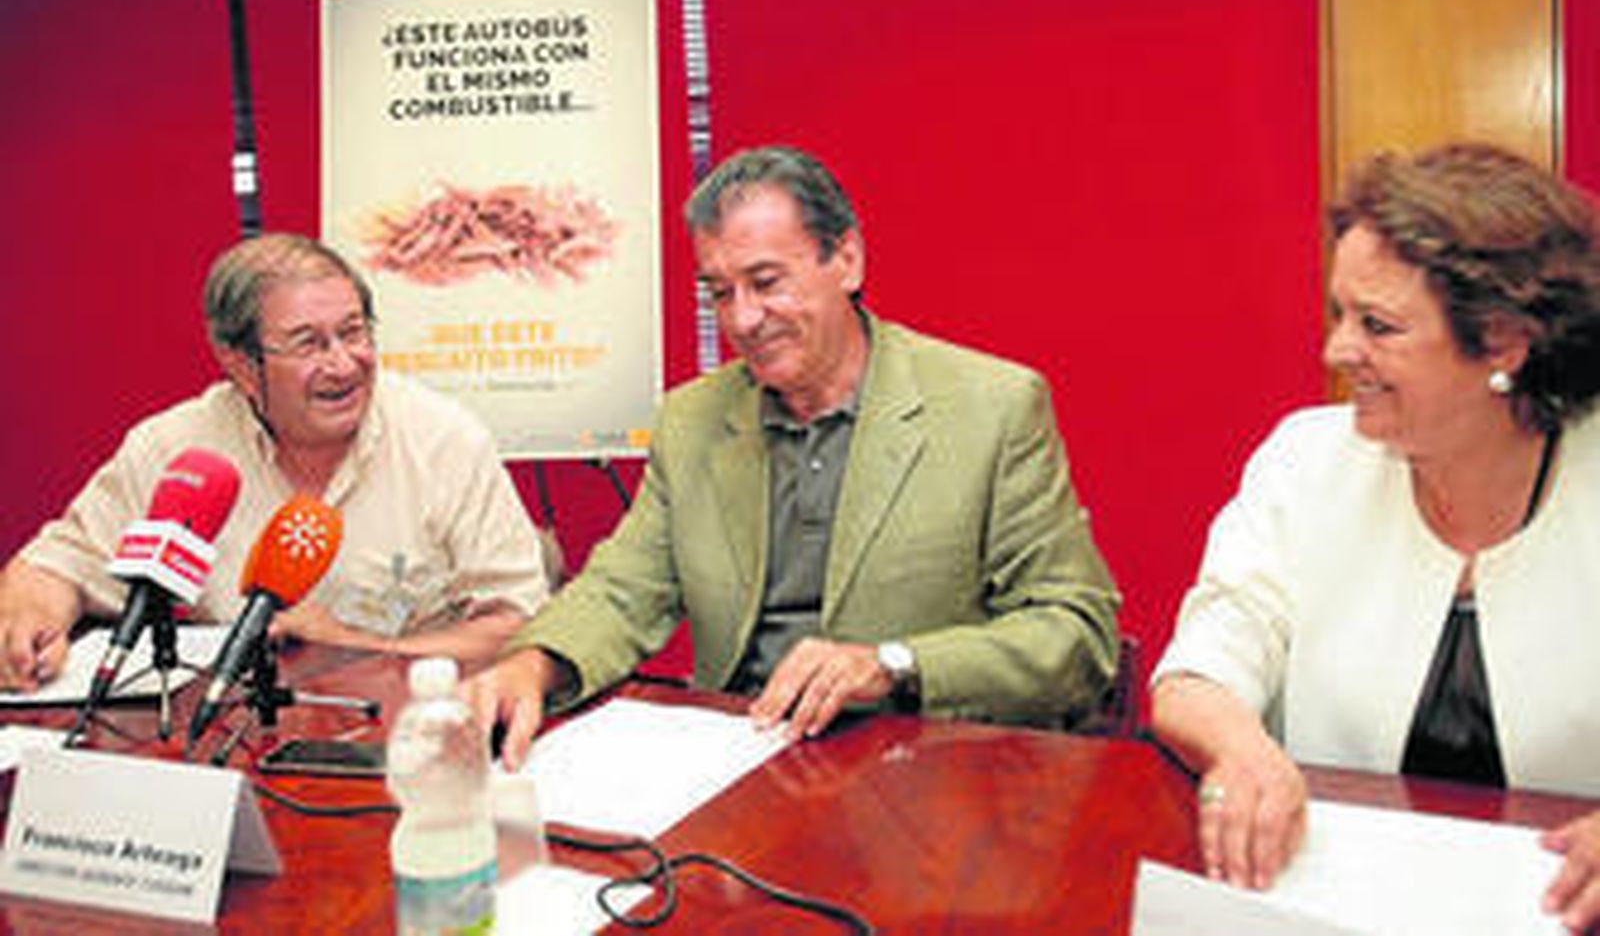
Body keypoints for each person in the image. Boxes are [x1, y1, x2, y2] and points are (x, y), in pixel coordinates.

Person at [471, 145, 1120, 767]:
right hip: (738, 764)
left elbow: (1075, 632)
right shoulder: (692, 420)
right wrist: (532, 662)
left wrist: (892, 664)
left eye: (765, 282)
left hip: (922, 775)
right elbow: (621, 591)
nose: (744, 319)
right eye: (720, 292)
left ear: (847, 258)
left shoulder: (992, 407)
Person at [1149, 143, 1600, 931]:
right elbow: (1200, 666)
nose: (1335, 351)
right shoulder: (1306, 458)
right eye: (1338, 314)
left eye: (1378, 325)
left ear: (1503, 343)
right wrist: (1242, 749)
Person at [0, 233, 550, 690]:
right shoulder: (176, 452)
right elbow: (56, 565)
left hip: (406, 734)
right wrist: (27, 617)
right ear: (240, 365)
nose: (344, 363)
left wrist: (361, 648)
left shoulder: (444, 441)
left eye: (354, 332)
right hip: (232, 737)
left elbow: (519, 625)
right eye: (309, 343)